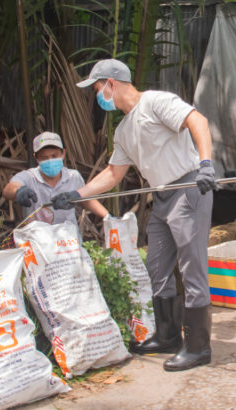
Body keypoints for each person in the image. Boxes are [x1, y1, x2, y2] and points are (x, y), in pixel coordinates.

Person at [51, 59, 216, 372]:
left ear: (112, 83)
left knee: (192, 267)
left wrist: (206, 163)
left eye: (98, 88)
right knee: (156, 265)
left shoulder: (156, 102)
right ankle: (167, 335)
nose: (97, 95)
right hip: (162, 196)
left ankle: (198, 347)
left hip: (189, 186)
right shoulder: (124, 129)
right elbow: (114, 173)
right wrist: (77, 195)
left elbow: (199, 122)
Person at [1, 131, 108, 226]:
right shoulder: (29, 177)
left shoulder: (73, 177)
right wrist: (19, 190)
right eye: (44, 157)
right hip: (37, 240)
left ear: (63, 154)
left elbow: (86, 200)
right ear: (36, 158)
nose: (50, 160)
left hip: (68, 239)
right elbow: (9, 189)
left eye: (54, 156)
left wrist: (108, 217)